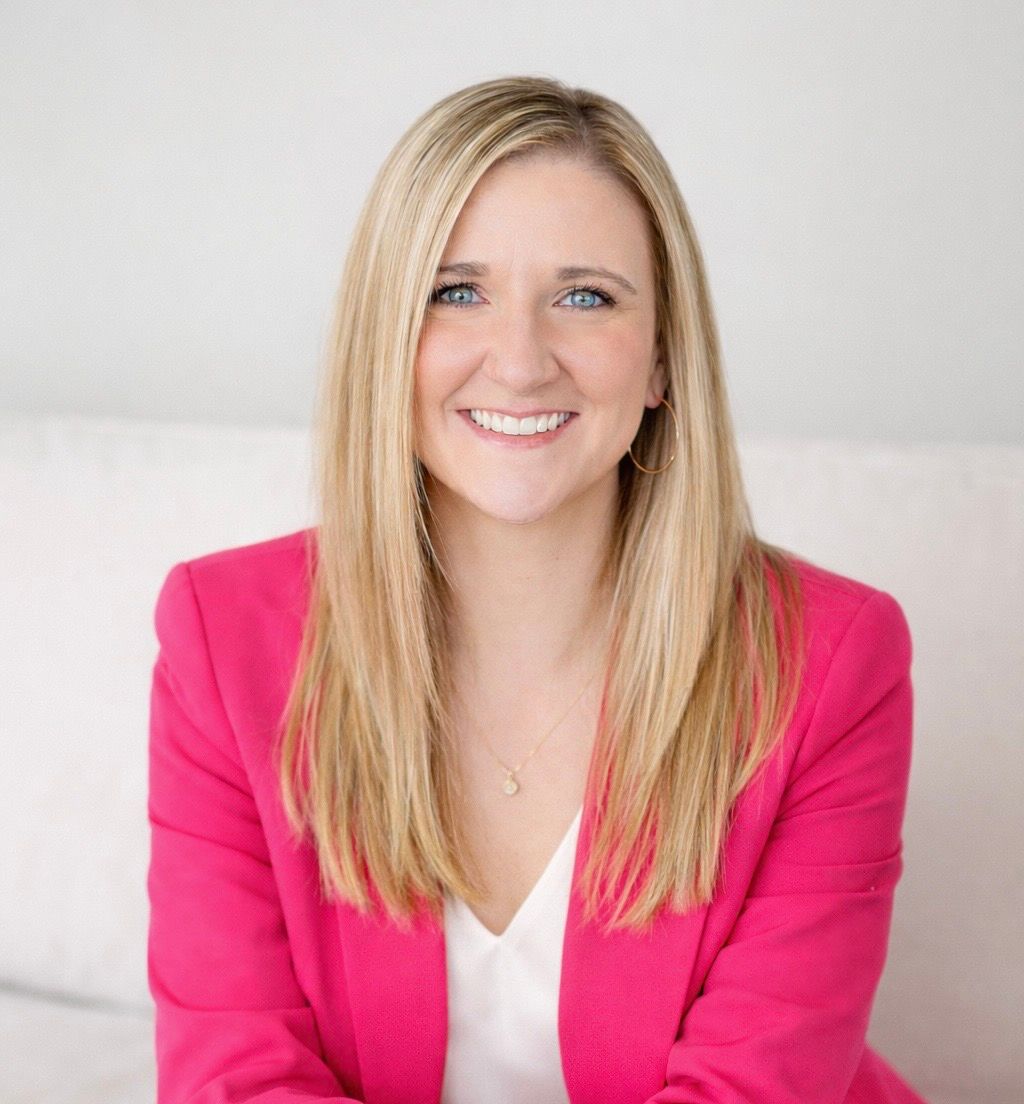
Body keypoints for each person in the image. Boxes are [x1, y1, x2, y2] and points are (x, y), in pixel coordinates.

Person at [146, 76, 931, 1104]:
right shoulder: (223, 641)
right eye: (456, 291)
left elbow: (754, 1088)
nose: (517, 363)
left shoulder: (830, 662)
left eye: (584, 296)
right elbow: (236, 1076)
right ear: (386, 342)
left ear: (662, 361)